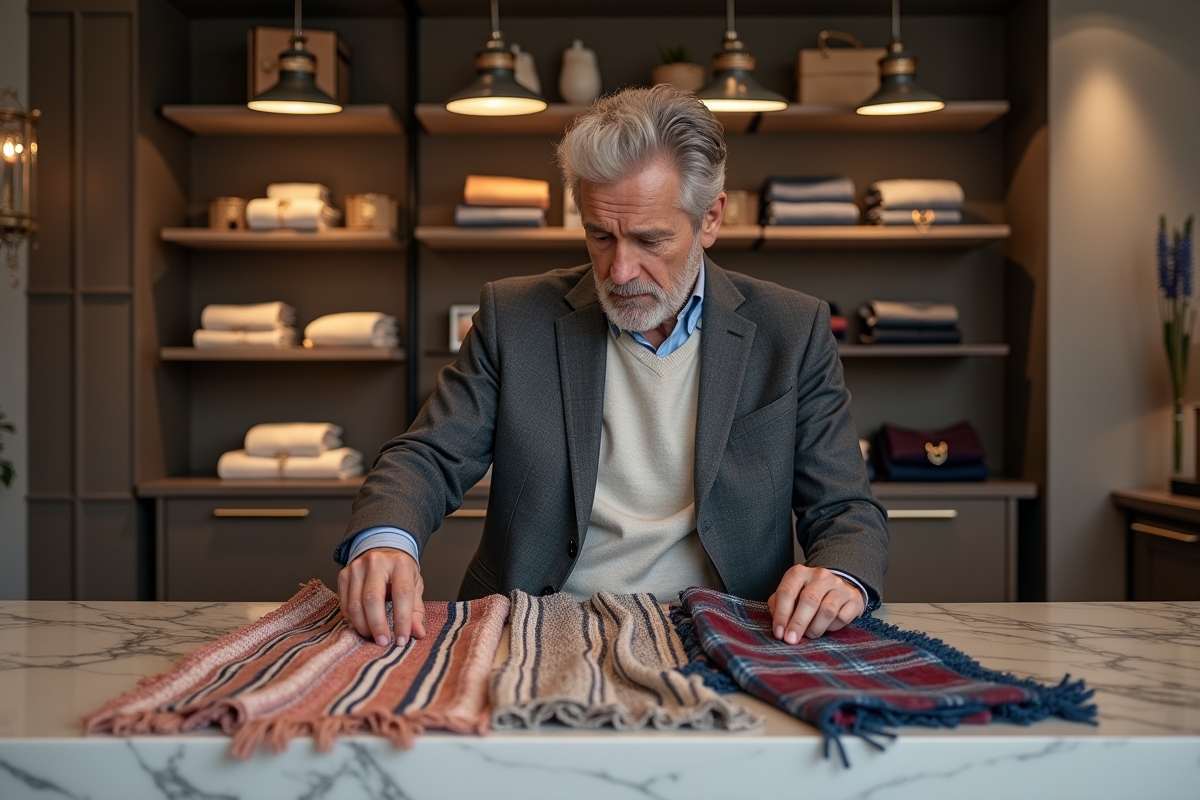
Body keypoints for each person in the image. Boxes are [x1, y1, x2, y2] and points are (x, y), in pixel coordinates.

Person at [332, 85, 888, 652]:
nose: (620, 271)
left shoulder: (792, 330)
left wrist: (840, 574)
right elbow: (429, 454)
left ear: (711, 218)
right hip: (536, 628)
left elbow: (845, 508)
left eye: (650, 239)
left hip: (731, 632)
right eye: (600, 235)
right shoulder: (515, 317)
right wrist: (386, 539)